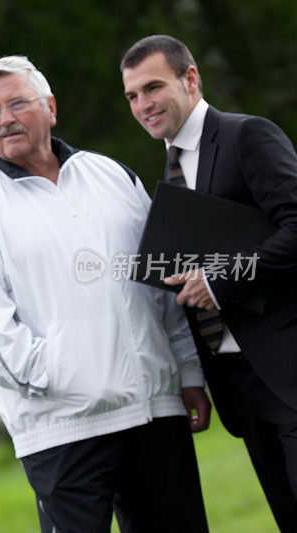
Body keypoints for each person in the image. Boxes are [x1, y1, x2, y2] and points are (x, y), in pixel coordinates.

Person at [0, 55, 210, 532]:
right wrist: (63, 377)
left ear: (51, 108)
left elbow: (161, 284)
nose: (6, 119)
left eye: (18, 103)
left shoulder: (111, 175)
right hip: (63, 428)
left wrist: (186, 369)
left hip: (155, 411)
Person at [121, 34, 297, 530]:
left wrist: (220, 280)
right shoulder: (170, 168)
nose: (143, 105)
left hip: (287, 366)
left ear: (191, 79)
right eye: (132, 95)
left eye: (153, 87)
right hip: (237, 382)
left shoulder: (248, 136)